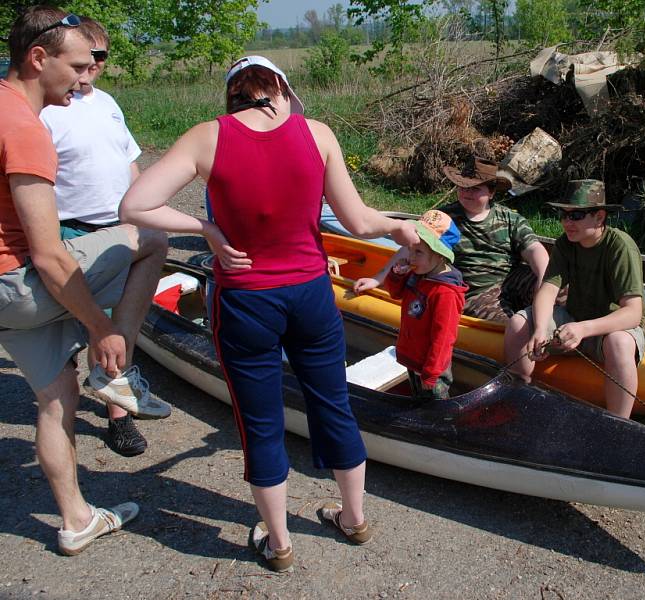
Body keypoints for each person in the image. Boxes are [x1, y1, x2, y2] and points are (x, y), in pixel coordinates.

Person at [119, 55, 420, 572]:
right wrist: (397, 227)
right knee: (332, 404)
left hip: (246, 301)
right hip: (310, 296)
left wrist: (207, 231)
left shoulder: (206, 137)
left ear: (233, 94)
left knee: (260, 423)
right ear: (280, 89)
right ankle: (354, 519)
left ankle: (279, 545)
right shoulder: (317, 134)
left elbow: (135, 205)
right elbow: (356, 218)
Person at [0, 6, 169, 555]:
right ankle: (118, 371)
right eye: (76, 65)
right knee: (151, 241)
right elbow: (49, 258)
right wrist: (102, 329)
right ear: (38, 57)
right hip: (17, 285)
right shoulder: (25, 128)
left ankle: (76, 520)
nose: (84, 76)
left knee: (56, 398)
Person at [40, 16, 154, 457]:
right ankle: (61, 407)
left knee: (110, 322)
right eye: (87, 57)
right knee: (82, 322)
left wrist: (143, 207)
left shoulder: (107, 103)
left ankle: (117, 415)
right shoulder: (48, 109)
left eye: (101, 57)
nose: (93, 66)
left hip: (116, 226)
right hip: (70, 228)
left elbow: (128, 160)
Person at [354, 155, 550, 378]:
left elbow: (535, 251)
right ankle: (523, 367)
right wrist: (379, 278)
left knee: (557, 288)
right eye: (462, 187)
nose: (467, 193)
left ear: (492, 192)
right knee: (513, 327)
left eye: (475, 189)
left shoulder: (509, 218)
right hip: (477, 291)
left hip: (511, 279)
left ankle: (570, 330)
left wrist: (544, 284)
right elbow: (412, 245)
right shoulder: (444, 219)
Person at [507, 180, 645, 419]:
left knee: (619, 343)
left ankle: (619, 426)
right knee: (518, 323)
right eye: (563, 215)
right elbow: (548, 289)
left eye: (576, 215)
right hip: (574, 319)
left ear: (599, 216)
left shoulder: (620, 247)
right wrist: (540, 329)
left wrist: (584, 329)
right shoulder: (565, 244)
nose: (567, 222)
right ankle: (519, 404)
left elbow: (633, 312)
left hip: (609, 328)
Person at [382, 210, 467, 400]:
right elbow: (395, 293)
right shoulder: (419, 274)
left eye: (418, 252)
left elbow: (444, 337)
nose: (411, 257)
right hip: (412, 358)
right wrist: (396, 274)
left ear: (439, 256)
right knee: (416, 397)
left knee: (434, 406)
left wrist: (431, 373)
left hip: (432, 368)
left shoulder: (445, 293)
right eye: (411, 249)